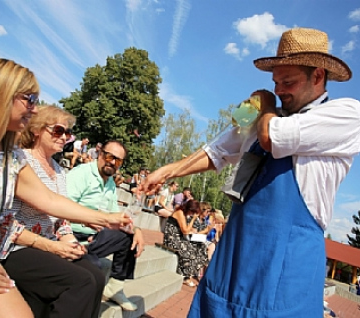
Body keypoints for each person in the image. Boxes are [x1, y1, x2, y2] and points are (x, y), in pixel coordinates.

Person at [142, 27, 360, 317]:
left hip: (286, 259)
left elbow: (274, 138)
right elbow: (217, 151)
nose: (279, 90)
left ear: (318, 76)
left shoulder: (345, 115)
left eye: (288, 82)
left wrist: (266, 107)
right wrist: (167, 172)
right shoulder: (265, 119)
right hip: (236, 248)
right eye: (276, 82)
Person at [0, 58, 129, 318]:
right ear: (2, 92)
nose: (34, 109)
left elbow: (50, 202)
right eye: (29, 99)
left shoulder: (11, 156)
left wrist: (107, 219)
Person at [0, 105, 105, 318]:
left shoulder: (59, 170)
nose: (64, 137)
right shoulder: (22, 160)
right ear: (37, 130)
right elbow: (5, 221)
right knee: (81, 281)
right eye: (58, 131)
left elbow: (59, 219)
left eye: (68, 133)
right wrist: (53, 247)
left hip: (47, 244)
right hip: (17, 246)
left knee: (97, 276)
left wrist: (71, 242)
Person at [67, 140, 145, 311]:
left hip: (95, 236)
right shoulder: (82, 174)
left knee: (129, 237)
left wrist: (137, 230)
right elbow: (62, 207)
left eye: (118, 160)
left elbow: (116, 218)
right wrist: (88, 220)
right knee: (93, 269)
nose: (112, 162)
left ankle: (115, 287)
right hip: (70, 234)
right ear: (100, 153)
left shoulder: (109, 183)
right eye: (110, 156)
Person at [163, 200, 208, 287]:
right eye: (193, 212)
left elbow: (186, 229)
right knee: (190, 251)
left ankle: (190, 273)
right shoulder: (180, 213)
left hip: (178, 237)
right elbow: (185, 230)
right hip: (172, 239)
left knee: (201, 247)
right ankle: (185, 277)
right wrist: (193, 219)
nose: (192, 214)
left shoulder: (184, 214)